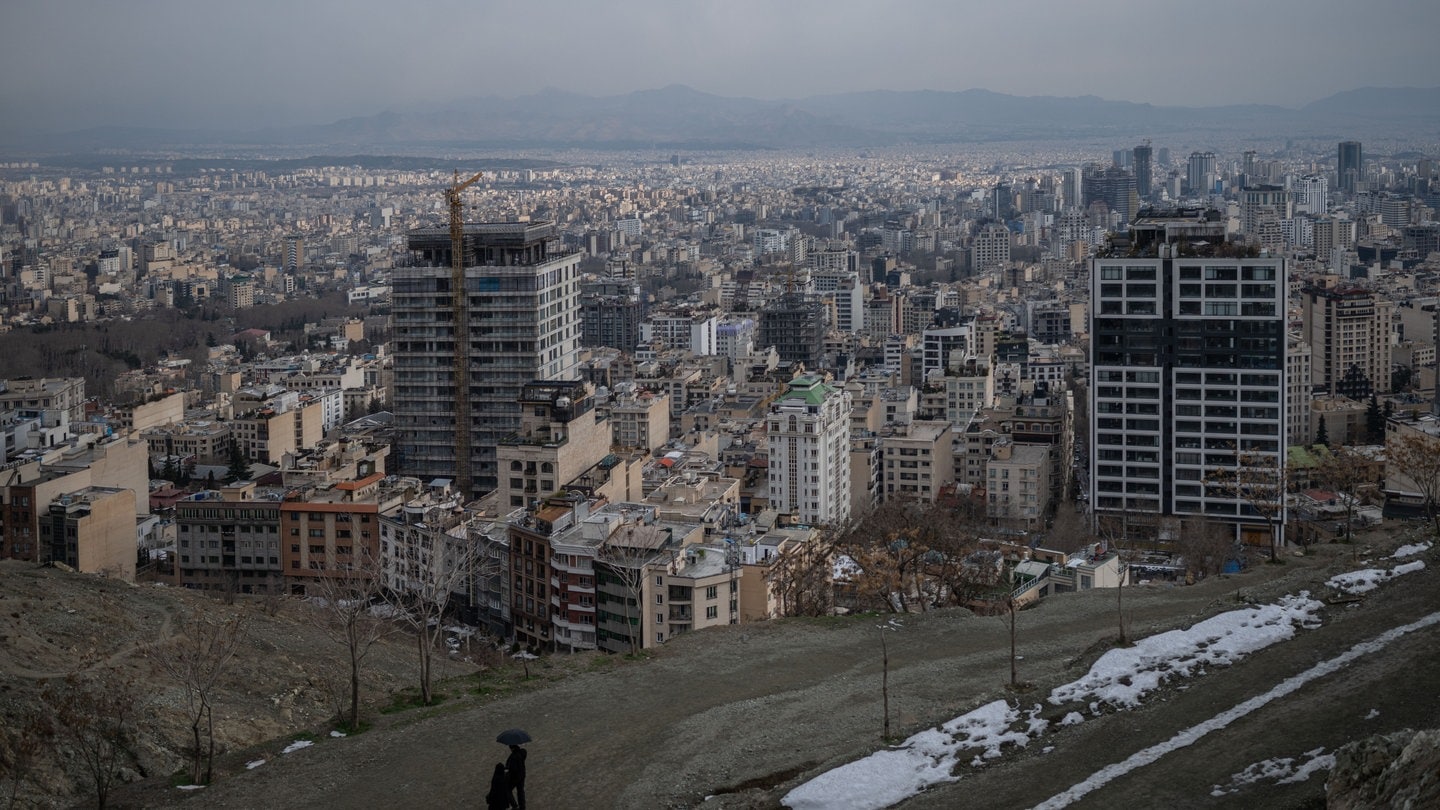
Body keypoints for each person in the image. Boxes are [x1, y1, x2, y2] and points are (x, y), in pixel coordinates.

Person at [505, 744, 527, 809]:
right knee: (520, 791)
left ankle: (514, 806)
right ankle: (522, 806)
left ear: (513, 748)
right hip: (522, 775)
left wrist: (507, 768)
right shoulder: (521, 753)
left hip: (515, 777)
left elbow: (513, 769)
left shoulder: (514, 757)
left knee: (507, 789)